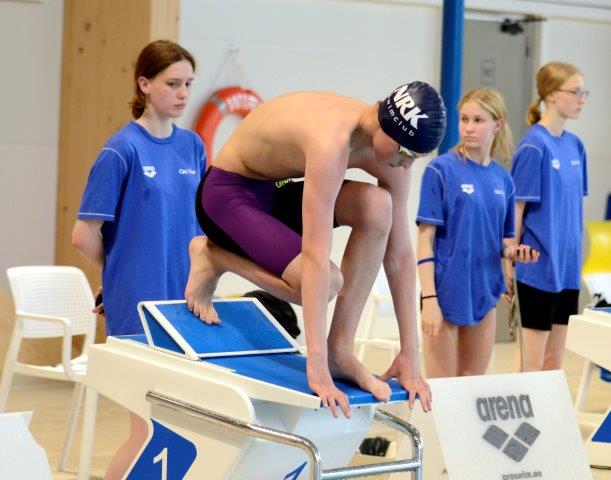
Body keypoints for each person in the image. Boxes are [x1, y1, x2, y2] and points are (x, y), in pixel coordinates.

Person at [186, 82, 447, 417]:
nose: (407, 166)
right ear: (390, 131)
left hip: (274, 193)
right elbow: (314, 256)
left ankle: (341, 349)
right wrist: (316, 366)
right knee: (326, 283)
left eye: (417, 158)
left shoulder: (388, 154)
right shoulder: (331, 141)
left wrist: (410, 353)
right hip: (226, 196)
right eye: (408, 154)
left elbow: (399, 255)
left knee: (379, 206)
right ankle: (215, 257)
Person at [71, 40, 205, 480]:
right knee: (148, 429)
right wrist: (118, 279)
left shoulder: (193, 147)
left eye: (188, 84)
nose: (183, 94)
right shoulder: (121, 150)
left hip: (186, 305)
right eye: (172, 84)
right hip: (139, 309)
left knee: (178, 431)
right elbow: (83, 235)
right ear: (144, 84)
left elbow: (199, 226)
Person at [416, 87, 539, 378]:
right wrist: (429, 300)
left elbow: (503, 242)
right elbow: (424, 239)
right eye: (464, 119)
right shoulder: (440, 170)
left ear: (497, 124)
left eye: (478, 120)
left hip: (485, 293)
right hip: (445, 292)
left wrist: (515, 253)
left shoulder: (503, 181)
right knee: (443, 389)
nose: (469, 128)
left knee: (473, 386)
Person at [510, 62, 588, 372]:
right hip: (537, 268)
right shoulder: (534, 145)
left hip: (567, 270)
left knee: (554, 363)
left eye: (584, 92)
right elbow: (516, 209)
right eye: (576, 91)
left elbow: (571, 209)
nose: (582, 99)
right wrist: (508, 263)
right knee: (530, 364)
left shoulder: (575, 146)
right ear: (552, 94)